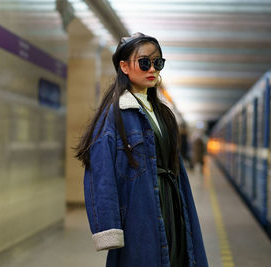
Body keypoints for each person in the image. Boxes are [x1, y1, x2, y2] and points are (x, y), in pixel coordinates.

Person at [75, 32, 208, 267]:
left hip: (174, 207)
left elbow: (177, 170)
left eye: (158, 63)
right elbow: (101, 173)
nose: (153, 69)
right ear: (124, 67)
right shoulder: (115, 115)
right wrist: (109, 228)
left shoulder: (164, 114)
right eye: (145, 62)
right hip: (139, 214)